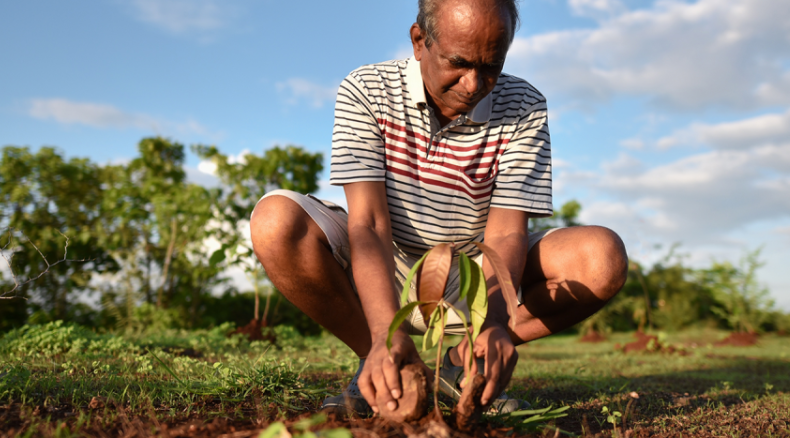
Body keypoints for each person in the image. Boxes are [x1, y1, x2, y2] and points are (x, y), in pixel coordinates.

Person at [249, 0, 627, 416]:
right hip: (381, 264)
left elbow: (505, 233)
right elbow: (371, 225)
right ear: (419, 41)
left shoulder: (523, 105)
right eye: (459, 63)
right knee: (275, 222)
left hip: (471, 273)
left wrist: (495, 323)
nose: (473, 84)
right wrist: (385, 332)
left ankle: (461, 364)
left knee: (601, 259)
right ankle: (383, 359)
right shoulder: (367, 89)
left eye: (491, 67)